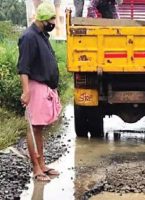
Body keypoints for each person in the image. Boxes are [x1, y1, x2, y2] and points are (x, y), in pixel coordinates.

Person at [17, 1, 62, 182]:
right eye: (52, 18)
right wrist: (26, 91)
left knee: (39, 128)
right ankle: (36, 168)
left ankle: (42, 164)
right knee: (33, 127)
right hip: (34, 87)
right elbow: (23, 68)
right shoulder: (28, 37)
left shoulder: (41, 35)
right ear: (43, 19)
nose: (53, 22)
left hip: (44, 87)